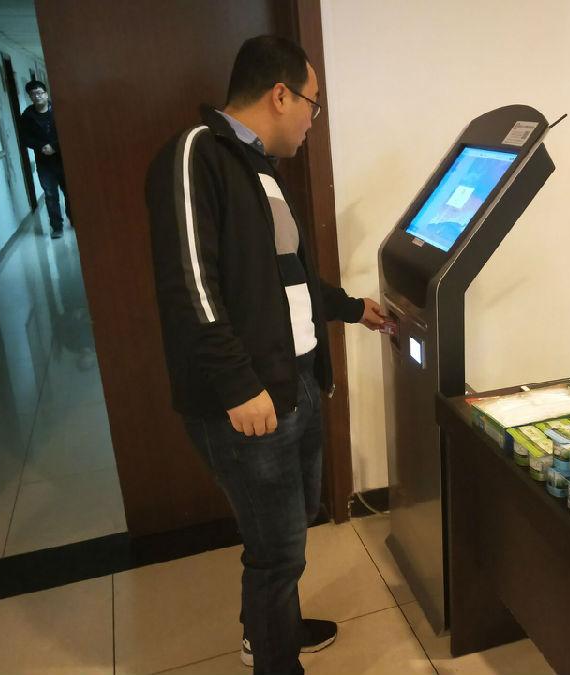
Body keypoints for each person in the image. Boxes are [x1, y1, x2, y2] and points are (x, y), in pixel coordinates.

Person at [146, 35, 386, 674]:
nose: (313, 120)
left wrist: (351, 307)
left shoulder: (261, 170)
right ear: (281, 95)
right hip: (251, 395)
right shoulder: (197, 153)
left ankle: (269, 628)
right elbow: (190, 285)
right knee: (277, 547)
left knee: (290, 529)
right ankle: (275, 659)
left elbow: (289, 281)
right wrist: (236, 384)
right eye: (313, 104)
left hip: (295, 381)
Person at [19, 80, 70, 239]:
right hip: (44, 162)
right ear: (30, 97)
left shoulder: (59, 111)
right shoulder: (27, 117)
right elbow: (25, 138)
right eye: (33, 94)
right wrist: (41, 147)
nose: (37, 96)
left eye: (40, 93)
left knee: (69, 191)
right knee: (50, 194)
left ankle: (74, 218)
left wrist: (54, 146)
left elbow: (69, 131)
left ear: (46, 94)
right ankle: (57, 227)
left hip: (63, 158)